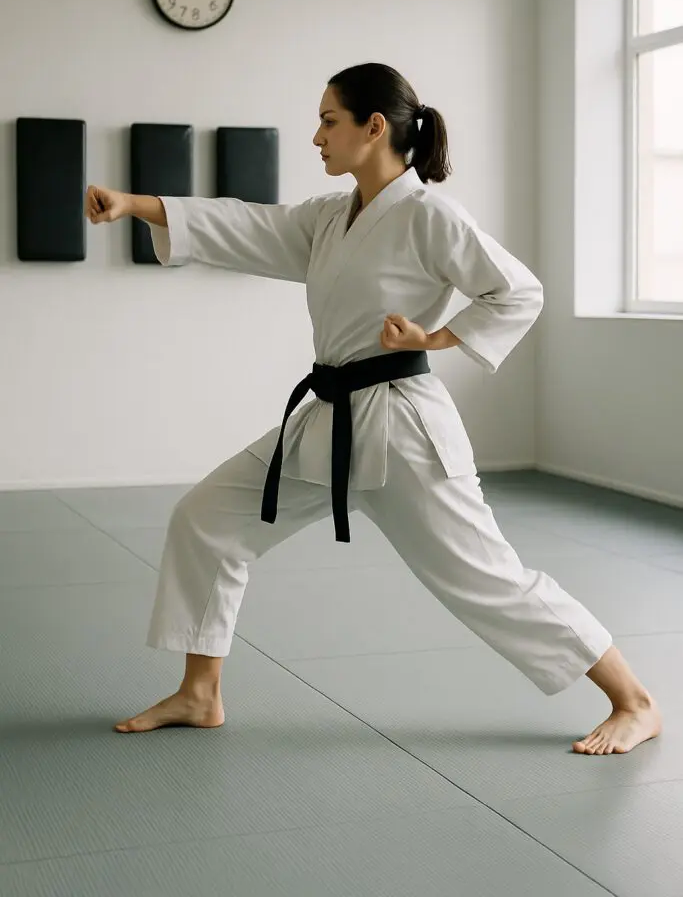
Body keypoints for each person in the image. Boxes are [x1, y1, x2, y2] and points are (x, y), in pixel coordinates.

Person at [86, 62, 661, 755]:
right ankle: (199, 692)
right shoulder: (333, 216)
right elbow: (250, 225)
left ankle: (634, 701)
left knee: (486, 580)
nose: (316, 136)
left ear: (374, 127)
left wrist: (436, 337)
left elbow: (517, 292)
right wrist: (136, 203)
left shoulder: (429, 215)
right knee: (207, 519)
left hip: (403, 430)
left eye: (329, 120)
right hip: (327, 419)